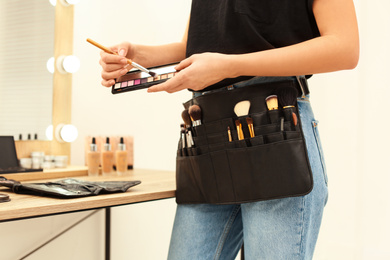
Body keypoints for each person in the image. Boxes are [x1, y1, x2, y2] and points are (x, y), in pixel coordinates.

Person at [99, 0, 359, 259]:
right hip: (208, 135)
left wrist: (230, 66)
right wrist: (139, 56)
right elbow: (196, 46)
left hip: (276, 130)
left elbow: (344, 47)